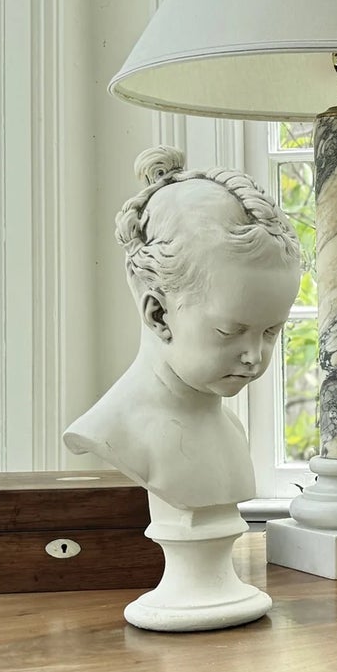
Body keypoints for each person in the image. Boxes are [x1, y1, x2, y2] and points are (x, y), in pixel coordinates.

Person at [63, 147, 302, 513]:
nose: (254, 356)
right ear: (159, 314)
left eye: (271, 331)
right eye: (230, 331)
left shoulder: (231, 430)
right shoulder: (116, 432)